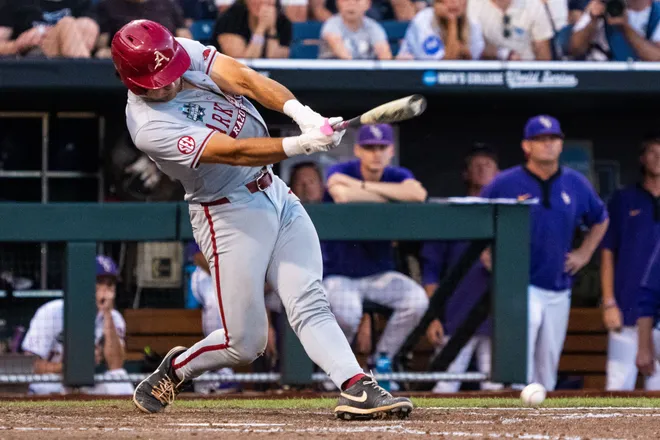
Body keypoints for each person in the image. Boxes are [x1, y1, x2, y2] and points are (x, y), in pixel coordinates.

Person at [111, 19, 412, 419]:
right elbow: (233, 152)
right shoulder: (149, 126)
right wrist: (300, 144)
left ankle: (357, 386)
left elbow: (245, 79)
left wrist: (301, 113)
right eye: (157, 79)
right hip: (228, 214)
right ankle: (178, 368)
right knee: (246, 343)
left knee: (308, 297)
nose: (169, 80)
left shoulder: (174, 50)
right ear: (132, 80)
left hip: (272, 190)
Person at [480, 115, 609, 391]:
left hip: (558, 283)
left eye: (553, 139)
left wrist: (584, 254)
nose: (548, 145)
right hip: (519, 284)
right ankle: (510, 415)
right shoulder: (505, 182)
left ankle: (543, 425)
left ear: (561, 144)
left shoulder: (576, 183)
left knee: (547, 365)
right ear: (527, 146)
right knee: (520, 359)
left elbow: (601, 218)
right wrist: (486, 253)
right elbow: (477, 216)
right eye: (540, 140)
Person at [322, 124, 429, 371]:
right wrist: (393, 196)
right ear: (358, 150)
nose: (376, 154)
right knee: (348, 315)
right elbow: (343, 196)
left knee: (417, 300)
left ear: (391, 150)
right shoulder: (341, 169)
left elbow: (417, 194)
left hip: (378, 273)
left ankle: (382, 359)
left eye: (382, 148)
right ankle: (338, 368)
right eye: (370, 148)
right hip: (339, 273)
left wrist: (362, 187)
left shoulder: (397, 173)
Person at [421, 144, 502, 393]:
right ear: (465, 174)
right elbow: (431, 270)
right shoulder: (450, 214)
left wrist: (500, 265)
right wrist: (432, 317)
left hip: (498, 321)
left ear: (499, 173)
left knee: (499, 390)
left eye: (488, 164)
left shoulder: (508, 215)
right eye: (476, 165)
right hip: (455, 318)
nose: (482, 169)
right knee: (444, 387)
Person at [21, 255, 133, 395]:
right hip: (55, 380)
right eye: (99, 281)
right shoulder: (50, 312)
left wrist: (107, 314)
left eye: (110, 284)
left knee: (120, 380)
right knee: (46, 386)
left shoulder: (114, 318)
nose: (105, 289)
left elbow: (116, 365)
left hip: (90, 382)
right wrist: (76, 365)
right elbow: (30, 366)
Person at [602, 135, 660, 390]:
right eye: (653, 152)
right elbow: (607, 251)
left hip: (659, 318)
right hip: (626, 307)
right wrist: (608, 302)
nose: (658, 158)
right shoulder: (623, 199)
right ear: (642, 158)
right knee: (617, 387)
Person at [0, 0, 99, 58]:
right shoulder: (16, 3)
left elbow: (96, 42)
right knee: (67, 23)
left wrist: (90, 25)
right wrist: (17, 44)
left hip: (66, 58)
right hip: (32, 58)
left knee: (82, 25)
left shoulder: (81, 4)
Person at [94, 0, 192, 59]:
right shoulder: (107, 6)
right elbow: (102, 45)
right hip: (127, 60)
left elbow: (185, 38)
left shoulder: (167, 4)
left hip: (164, 57)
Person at [569, 0, 660, 61]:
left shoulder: (657, 12)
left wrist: (625, 27)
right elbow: (575, 49)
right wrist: (593, 21)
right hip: (602, 80)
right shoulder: (603, 3)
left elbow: (657, 58)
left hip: (644, 83)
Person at [397, 0, 485, 60]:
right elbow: (445, 65)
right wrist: (452, 21)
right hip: (415, 79)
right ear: (437, 3)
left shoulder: (472, 22)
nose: (455, 2)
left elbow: (472, 60)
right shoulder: (423, 21)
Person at [467, 0, 554, 60]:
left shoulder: (533, 5)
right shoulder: (472, 4)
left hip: (525, 73)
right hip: (485, 73)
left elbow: (543, 54)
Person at [212, 0, 291, 59]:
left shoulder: (283, 22)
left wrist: (272, 30)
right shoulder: (229, 19)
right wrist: (261, 28)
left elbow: (275, 63)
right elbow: (243, 65)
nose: (260, 2)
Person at [319, 0, 393, 60]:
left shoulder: (373, 27)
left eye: (357, 0)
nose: (351, 4)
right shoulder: (332, 25)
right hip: (334, 74)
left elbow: (385, 56)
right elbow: (344, 57)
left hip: (367, 74)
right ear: (337, 3)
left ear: (368, 4)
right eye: (346, 0)